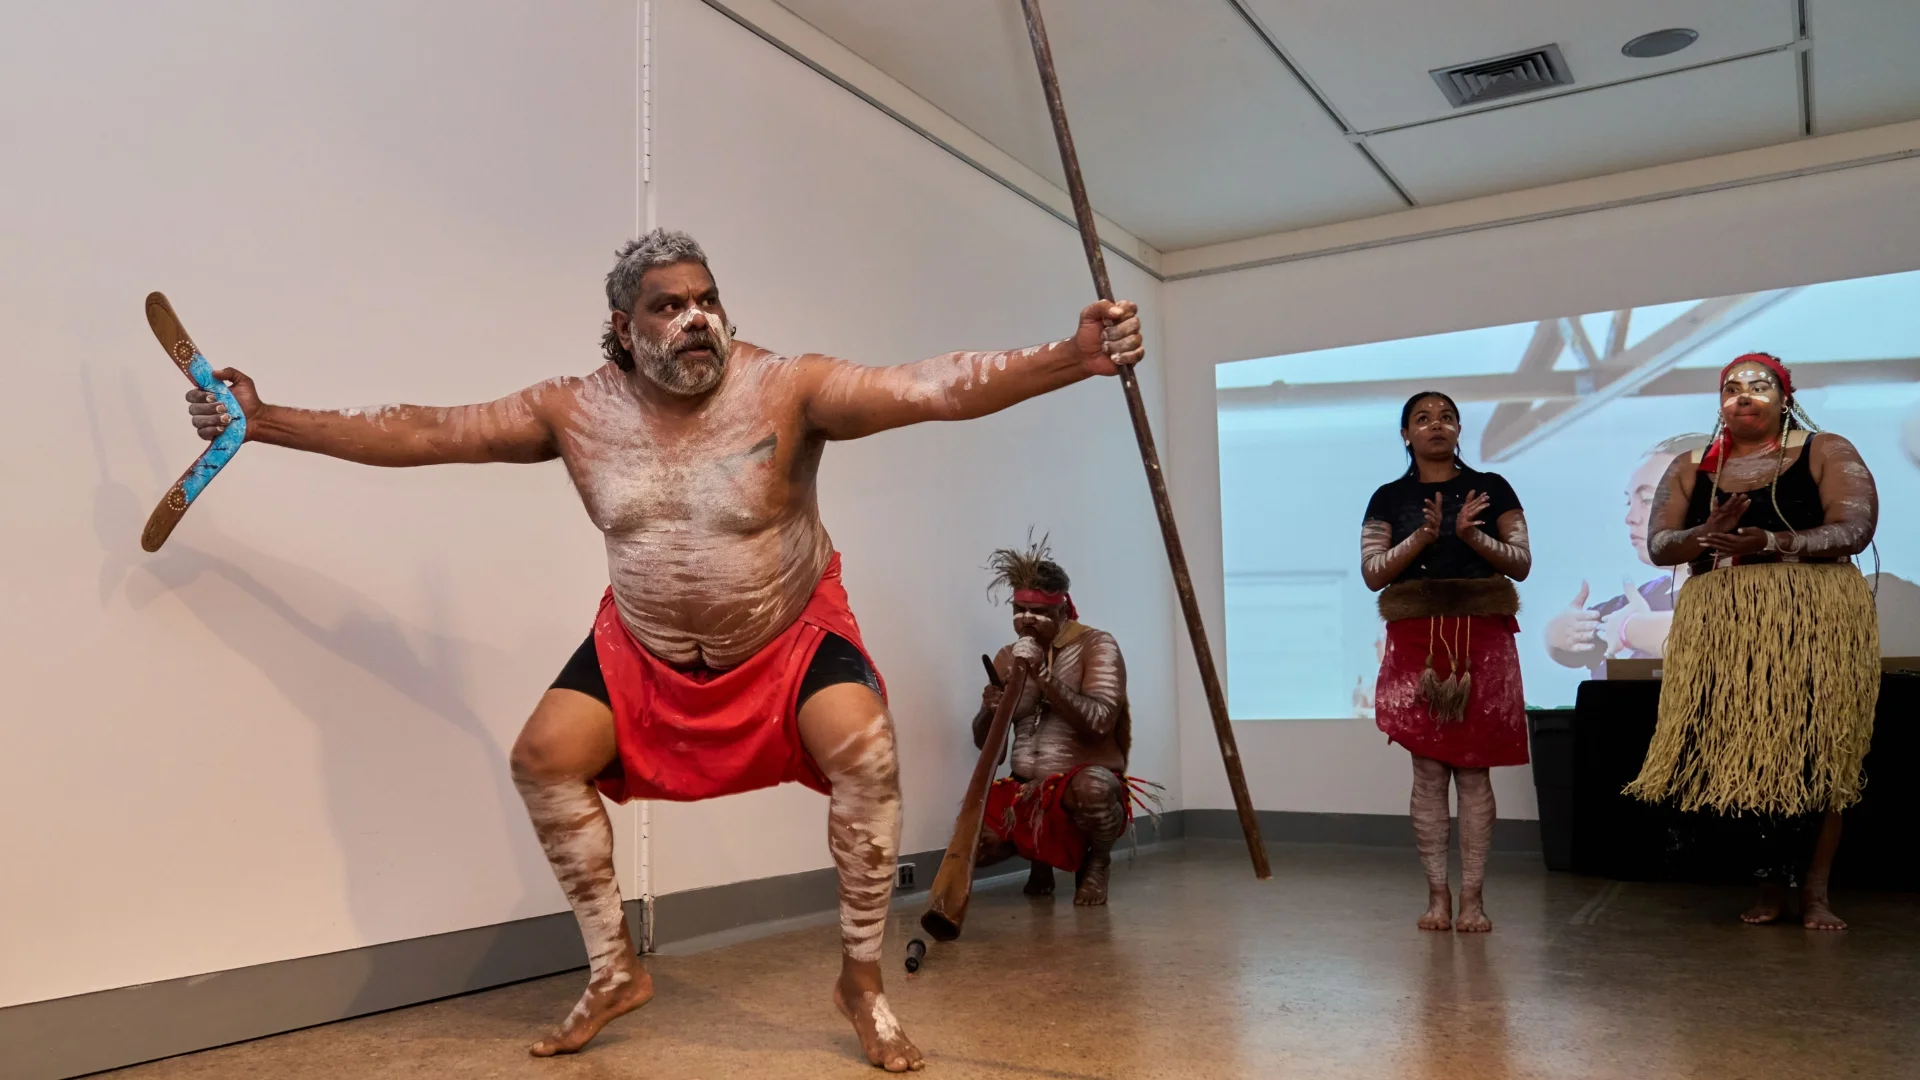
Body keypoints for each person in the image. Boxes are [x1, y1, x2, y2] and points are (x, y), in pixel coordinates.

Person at [182, 229, 1145, 1071]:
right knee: (542, 758)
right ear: (622, 326)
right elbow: (425, 431)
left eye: (707, 300)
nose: (696, 320)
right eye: (668, 306)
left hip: (786, 632)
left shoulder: (789, 388)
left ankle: (860, 981)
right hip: (641, 646)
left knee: (866, 749)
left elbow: (930, 387)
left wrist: (1071, 356)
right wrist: (266, 421)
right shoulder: (574, 410)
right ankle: (614, 970)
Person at [1625, 353, 1879, 931]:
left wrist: (1770, 541)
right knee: (1749, 751)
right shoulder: (1692, 465)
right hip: (1724, 625)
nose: (1743, 395)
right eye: (1731, 387)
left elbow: (1855, 528)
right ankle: (1768, 887)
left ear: (1786, 398)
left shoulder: (1824, 449)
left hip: (1812, 619)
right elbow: (1662, 546)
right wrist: (1703, 534)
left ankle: (1815, 892)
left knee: (1817, 753)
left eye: (1759, 385)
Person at [1360, 391, 1532, 932]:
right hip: (1417, 639)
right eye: (1423, 418)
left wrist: (1471, 536)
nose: (1436, 425)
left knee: (1475, 769)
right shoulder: (1389, 497)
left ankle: (1473, 899)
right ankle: (1437, 895)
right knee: (1428, 769)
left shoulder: (1492, 487)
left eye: (1447, 417)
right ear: (1406, 434)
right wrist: (1424, 536)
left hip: (1483, 637)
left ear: (1459, 429)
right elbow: (1373, 572)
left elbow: (1521, 564)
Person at [969, 539, 1156, 906]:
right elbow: (989, 748)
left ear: (1063, 609)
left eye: (1038, 611)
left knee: (1094, 790)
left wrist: (1043, 677)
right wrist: (990, 711)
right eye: (1019, 610)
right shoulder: (1008, 657)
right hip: (1025, 785)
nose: (1027, 620)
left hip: (1081, 781)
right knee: (975, 845)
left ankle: (1097, 863)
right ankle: (1039, 860)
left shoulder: (1096, 645)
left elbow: (1100, 722)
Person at [1544, 434, 1713, 676]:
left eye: (1647, 500)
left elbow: (1720, 636)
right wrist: (1560, 634)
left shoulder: (1743, 590)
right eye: (1629, 502)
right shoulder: (1632, 602)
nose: (1631, 517)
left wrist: (1629, 630)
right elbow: (1569, 649)